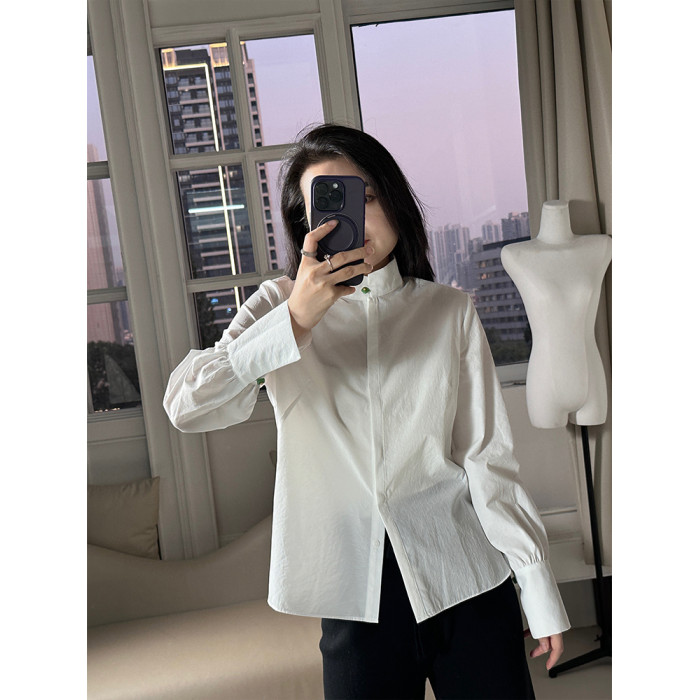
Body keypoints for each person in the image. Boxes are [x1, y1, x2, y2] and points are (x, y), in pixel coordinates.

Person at [163, 123, 570, 699]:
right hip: (354, 595)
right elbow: (187, 405)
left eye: (366, 197)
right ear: (307, 224)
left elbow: (486, 458)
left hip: (467, 578)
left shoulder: (448, 311)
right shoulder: (278, 305)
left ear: (395, 202)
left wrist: (537, 585)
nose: (350, 219)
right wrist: (295, 321)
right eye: (327, 206)